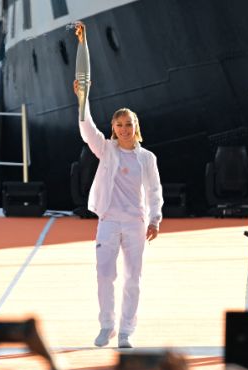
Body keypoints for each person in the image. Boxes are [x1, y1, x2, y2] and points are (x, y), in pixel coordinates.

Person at [73, 73, 163, 349]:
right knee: (104, 274)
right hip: (109, 222)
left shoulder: (146, 158)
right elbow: (87, 130)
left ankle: (126, 331)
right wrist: (82, 99)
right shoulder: (106, 150)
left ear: (136, 127)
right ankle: (107, 325)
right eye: (119, 125)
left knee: (132, 278)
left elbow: (154, 191)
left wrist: (154, 219)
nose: (124, 129)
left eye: (129, 124)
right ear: (113, 127)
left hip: (135, 223)